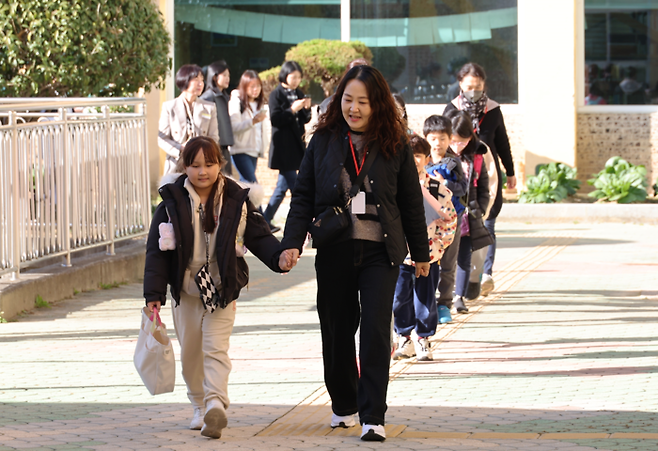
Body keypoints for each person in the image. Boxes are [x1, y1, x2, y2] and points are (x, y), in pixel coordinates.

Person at [278, 66, 430, 442]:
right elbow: (303, 196)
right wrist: (291, 243)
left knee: (376, 330)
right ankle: (344, 403)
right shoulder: (324, 139)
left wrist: (421, 251)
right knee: (336, 328)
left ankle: (373, 414)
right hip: (335, 248)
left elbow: (411, 201)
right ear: (338, 101)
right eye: (348, 100)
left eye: (362, 101)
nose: (354, 108)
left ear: (377, 103)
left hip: (381, 251)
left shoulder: (395, 141)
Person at [143, 136, 286, 439]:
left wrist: (279, 257)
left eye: (209, 164)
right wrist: (153, 295)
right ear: (184, 166)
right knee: (191, 352)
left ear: (220, 164)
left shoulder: (236, 199)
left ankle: (215, 403)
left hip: (223, 286)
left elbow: (258, 236)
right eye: (194, 165)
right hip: (186, 290)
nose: (202, 171)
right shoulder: (170, 201)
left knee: (216, 349)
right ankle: (198, 404)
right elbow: (156, 253)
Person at [444, 62, 515, 298]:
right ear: (461, 85)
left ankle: (486, 273)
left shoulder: (493, 109)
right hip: (458, 175)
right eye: (469, 86)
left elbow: (503, 142)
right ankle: (464, 280)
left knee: (488, 222)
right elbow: (441, 142)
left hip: (488, 171)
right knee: (460, 231)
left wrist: (511, 172)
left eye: (478, 86)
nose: (474, 90)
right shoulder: (452, 109)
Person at [392, 135, 456, 362]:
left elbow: (450, 219)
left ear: (427, 159)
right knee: (399, 298)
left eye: (418, 156)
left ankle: (423, 338)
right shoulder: (392, 186)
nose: (413, 160)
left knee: (425, 298)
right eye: (408, 156)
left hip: (429, 255)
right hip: (400, 255)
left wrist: (439, 245)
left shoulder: (437, 188)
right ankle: (404, 337)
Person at [423, 115, 468, 323]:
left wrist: (446, 184)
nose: (437, 143)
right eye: (433, 138)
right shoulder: (420, 161)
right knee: (428, 262)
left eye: (442, 138)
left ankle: (445, 303)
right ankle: (426, 301)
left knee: (448, 263)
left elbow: (463, 189)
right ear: (426, 138)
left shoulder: (453, 163)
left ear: (450, 139)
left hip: (451, 220)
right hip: (426, 222)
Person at [445, 111, 490, 313]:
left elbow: (483, 186)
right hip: (442, 215)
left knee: (464, 256)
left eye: (462, 142)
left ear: (470, 138)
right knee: (443, 259)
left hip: (466, 215)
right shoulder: (440, 156)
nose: (457, 146)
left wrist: (479, 208)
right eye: (453, 141)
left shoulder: (477, 157)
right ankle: (443, 296)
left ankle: (458, 297)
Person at [262, 61, 312, 232]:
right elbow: (276, 119)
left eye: (299, 77)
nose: (297, 80)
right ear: (285, 75)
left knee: (281, 189)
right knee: (298, 188)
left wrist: (306, 108)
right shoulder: (276, 94)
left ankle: (264, 220)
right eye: (294, 77)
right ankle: (308, 222)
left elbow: (304, 119)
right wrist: (292, 109)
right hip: (283, 149)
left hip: (297, 146)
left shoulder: (298, 92)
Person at [158, 65, 219, 175]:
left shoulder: (209, 107)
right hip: (175, 165)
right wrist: (181, 148)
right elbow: (161, 138)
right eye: (196, 80)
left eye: (202, 80)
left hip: (201, 166)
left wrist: (201, 152)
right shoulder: (169, 107)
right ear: (184, 80)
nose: (200, 84)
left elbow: (214, 137)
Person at [228, 70, 267, 184]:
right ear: (244, 86)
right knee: (252, 183)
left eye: (258, 86)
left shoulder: (259, 104)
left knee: (245, 185)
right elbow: (234, 127)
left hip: (254, 151)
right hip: (240, 151)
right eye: (252, 86)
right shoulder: (236, 102)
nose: (256, 90)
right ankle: (257, 203)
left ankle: (240, 202)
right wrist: (253, 121)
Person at [200, 60, 235, 176]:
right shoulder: (208, 97)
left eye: (228, 75)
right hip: (214, 146)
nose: (227, 78)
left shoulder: (224, 96)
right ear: (214, 77)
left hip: (224, 146)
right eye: (224, 75)